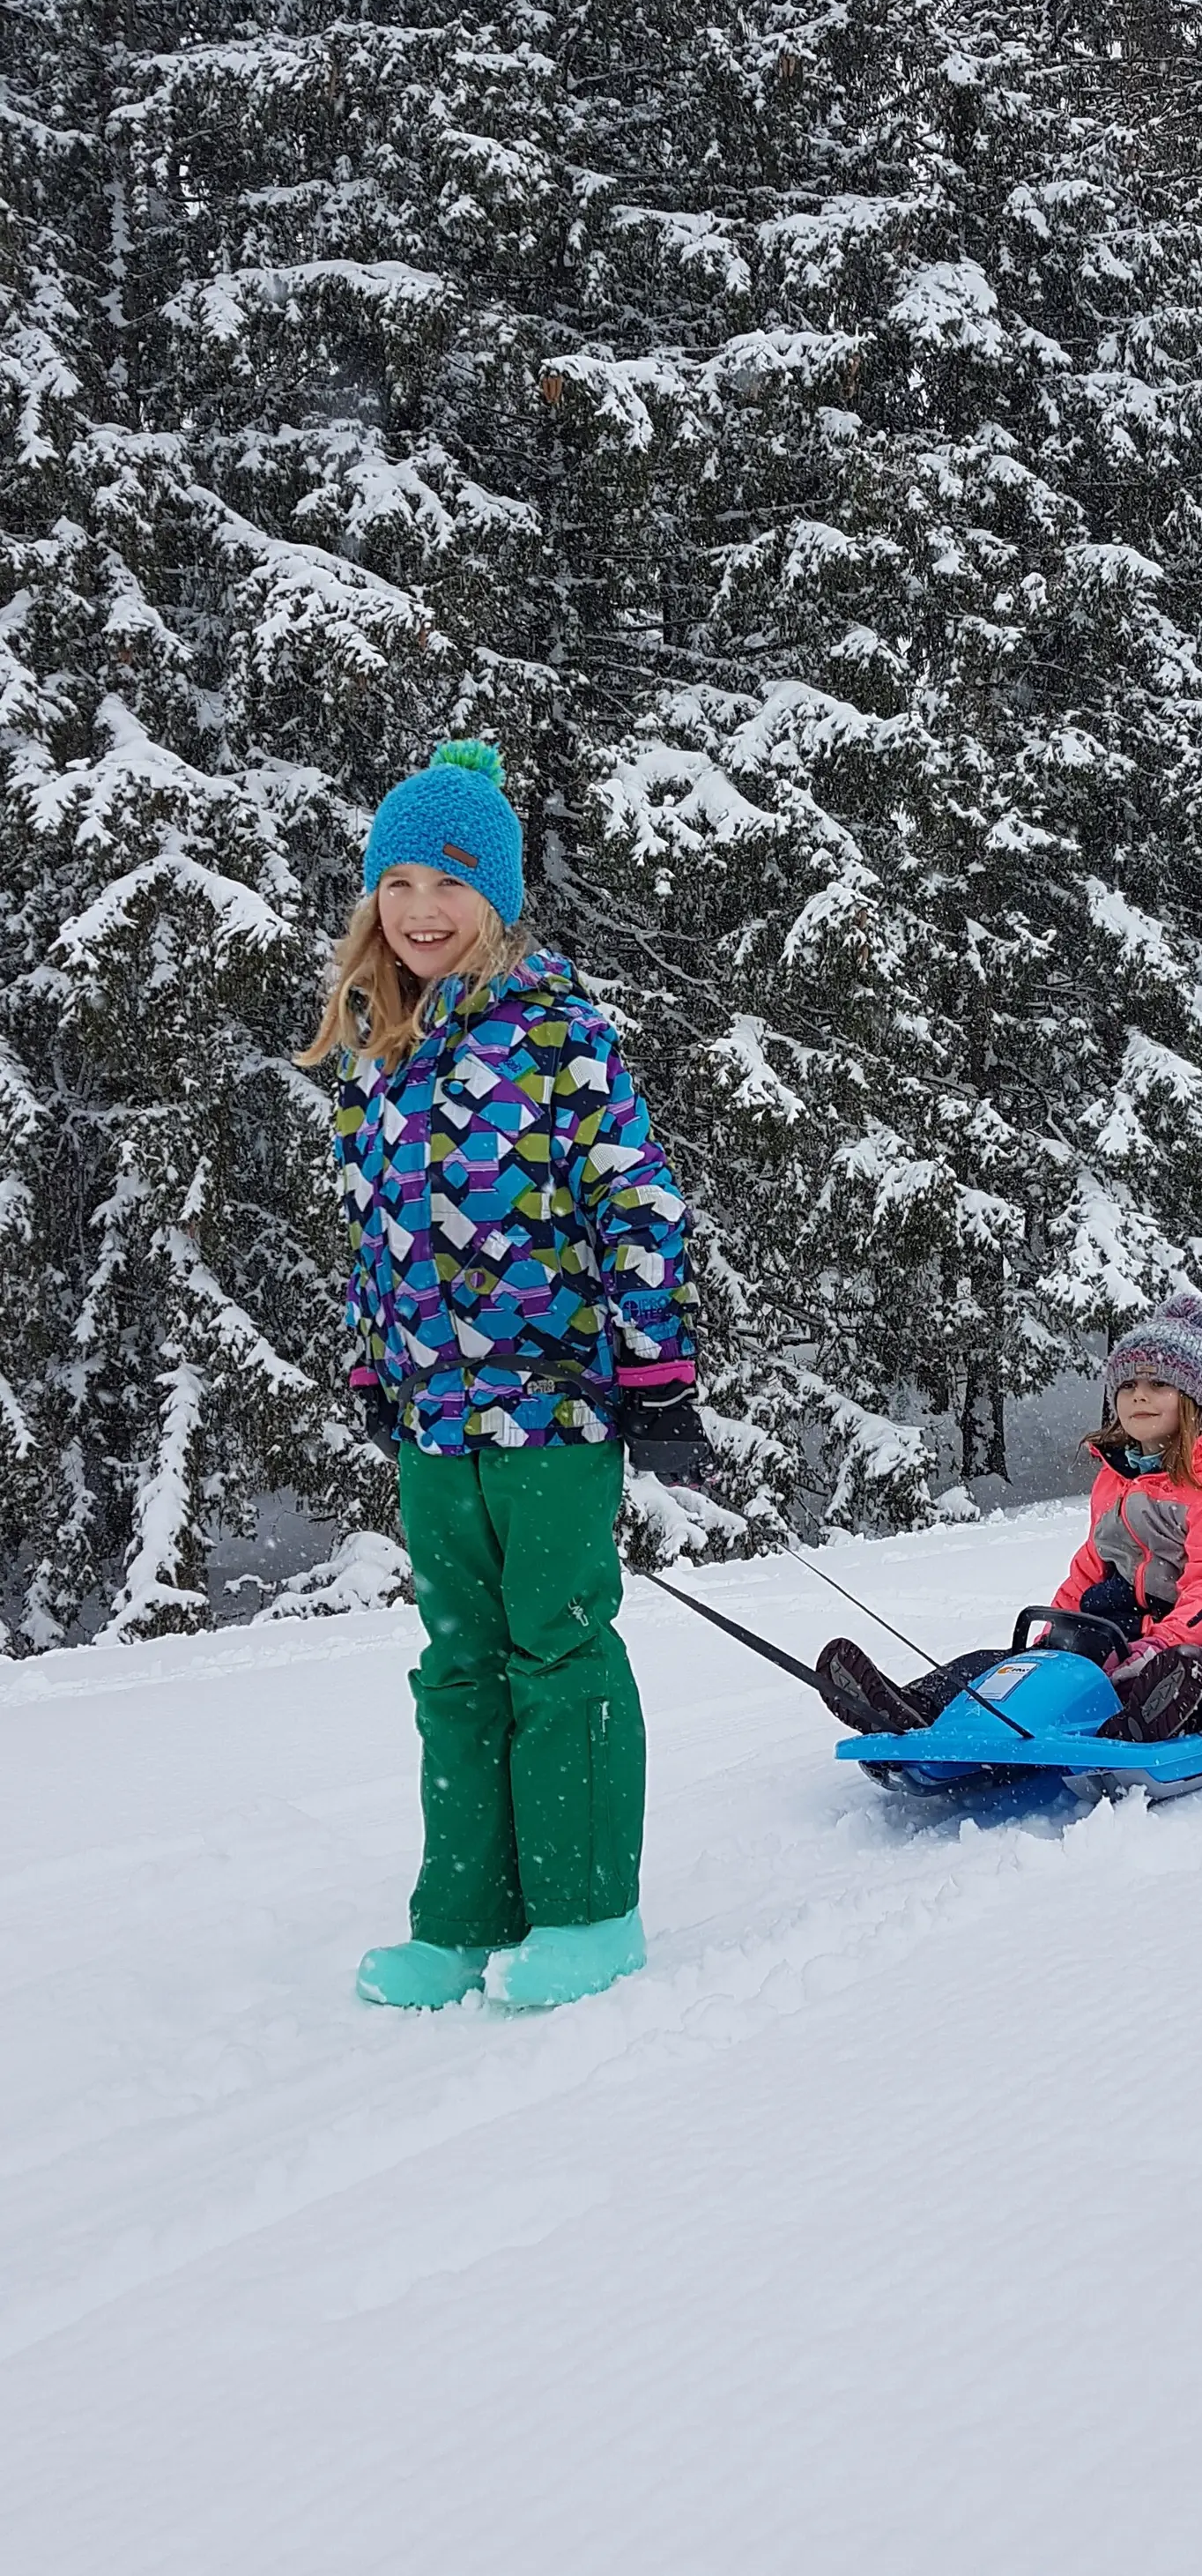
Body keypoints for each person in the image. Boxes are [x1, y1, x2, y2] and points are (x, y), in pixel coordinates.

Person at [299, 739, 708, 2012]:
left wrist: (660, 1373)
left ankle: (590, 1913)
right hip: (433, 1414)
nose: (422, 908)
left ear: (502, 897)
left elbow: (636, 1203)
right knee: (458, 1659)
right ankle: (462, 1916)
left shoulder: (558, 1033)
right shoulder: (382, 1055)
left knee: (557, 1646)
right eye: (401, 880)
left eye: (452, 882)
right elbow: (377, 1230)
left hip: (553, 1406)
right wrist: (375, 1364)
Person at [816, 1291, 1202, 1746]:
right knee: (1019, 1663)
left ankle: (1173, 1712)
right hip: (1133, 1617)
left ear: (1195, 1400)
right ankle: (919, 1705)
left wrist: (1162, 1645)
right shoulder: (1119, 1474)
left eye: (1158, 1384)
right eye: (1127, 1385)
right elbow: (1093, 1565)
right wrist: (1051, 1643)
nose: (1139, 1397)